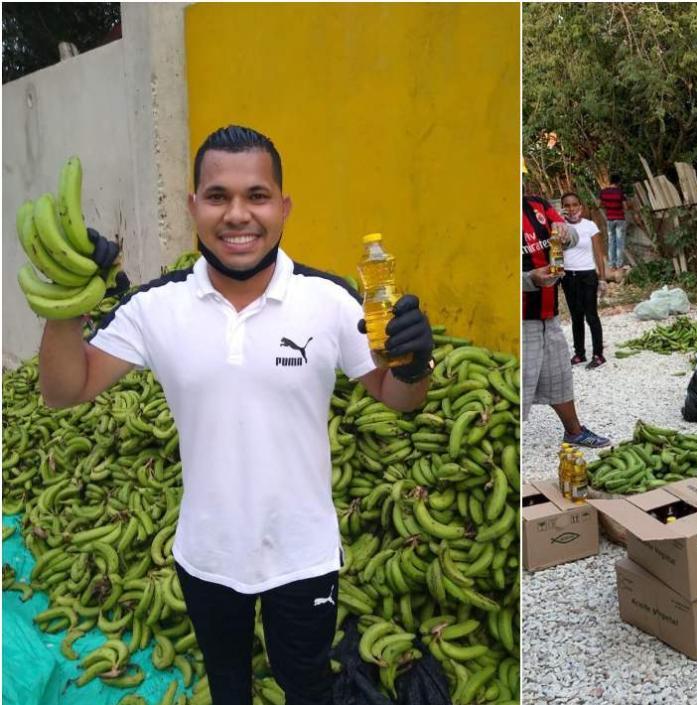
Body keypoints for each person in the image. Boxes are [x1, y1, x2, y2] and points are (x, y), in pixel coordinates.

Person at [35, 125, 434, 705]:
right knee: (228, 689)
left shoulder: (329, 300)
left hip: (303, 554)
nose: (237, 215)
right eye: (218, 196)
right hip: (207, 554)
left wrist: (414, 365)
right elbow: (65, 390)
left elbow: (395, 397)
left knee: (307, 687)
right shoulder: (157, 306)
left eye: (257, 196)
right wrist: (67, 298)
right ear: (194, 206)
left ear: (284, 207)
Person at [522, 182, 611, 447]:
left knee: (558, 372)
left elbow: (570, 238)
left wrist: (565, 231)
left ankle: (573, 431)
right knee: (519, 380)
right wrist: (529, 280)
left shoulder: (538, 205)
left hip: (547, 312)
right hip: (519, 317)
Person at [558, 192, 608, 369]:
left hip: (587, 275)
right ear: (562, 208)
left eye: (574, 205)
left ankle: (598, 354)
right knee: (576, 316)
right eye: (567, 206)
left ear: (580, 207)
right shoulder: (559, 226)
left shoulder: (590, 226)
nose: (571, 209)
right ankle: (579, 353)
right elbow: (555, 252)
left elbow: (599, 253)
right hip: (568, 277)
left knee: (591, 316)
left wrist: (602, 279)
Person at [599, 175, 628, 270]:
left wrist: (608, 206)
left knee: (611, 241)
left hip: (609, 219)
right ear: (618, 182)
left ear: (610, 181)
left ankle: (611, 264)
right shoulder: (620, 192)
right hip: (620, 219)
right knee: (620, 242)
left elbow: (600, 205)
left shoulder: (603, 192)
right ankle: (619, 264)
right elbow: (625, 207)